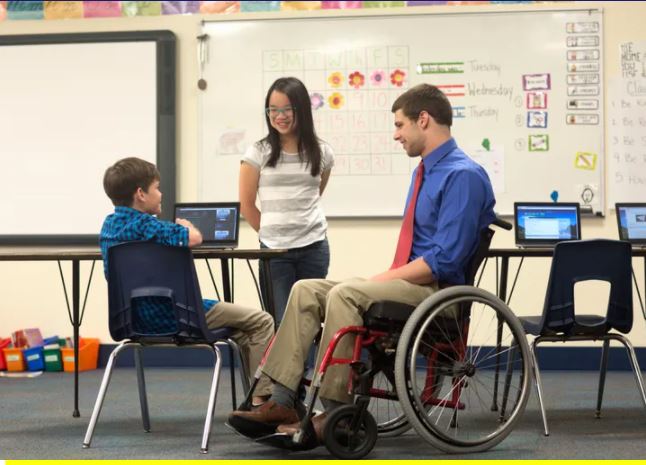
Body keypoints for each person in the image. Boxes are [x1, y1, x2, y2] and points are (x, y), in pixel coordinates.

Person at [227, 83, 496, 445]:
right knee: (306, 289)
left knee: (347, 294)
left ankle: (334, 411)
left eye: (400, 125)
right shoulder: (427, 170)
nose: (396, 134)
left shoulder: (461, 175)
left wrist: (384, 277)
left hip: (435, 293)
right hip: (413, 284)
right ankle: (281, 399)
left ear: (424, 120)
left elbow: (443, 260)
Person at [100, 157, 274, 407]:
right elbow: (193, 238)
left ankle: (256, 400)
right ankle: (262, 401)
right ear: (140, 194)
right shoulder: (149, 225)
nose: (161, 194)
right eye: (157, 188)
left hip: (132, 320)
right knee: (261, 321)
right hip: (177, 316)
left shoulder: (107, 226)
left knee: (242, 332)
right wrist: (185, 224)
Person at [239, 77, 335, 323]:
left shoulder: (322, 152)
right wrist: (273, 231)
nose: (279, 116)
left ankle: (308, 364)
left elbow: (315, 194)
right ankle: (286, 365)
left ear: (301, 109)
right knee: (282, 324)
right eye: (273, 110)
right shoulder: (258, 152)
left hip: (314, 247)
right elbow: (247, 204)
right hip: (275, 252)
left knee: (310, 322)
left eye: (286, 109)